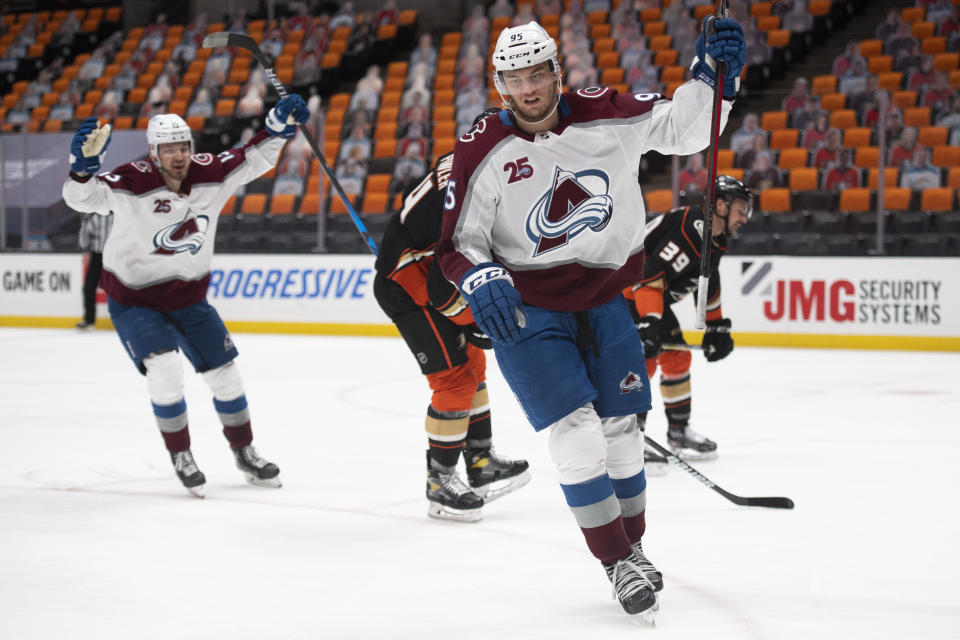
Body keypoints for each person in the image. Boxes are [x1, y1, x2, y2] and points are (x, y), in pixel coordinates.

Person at [435, 19, 744, 617]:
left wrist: (714, 79)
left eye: (536, 74)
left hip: (605, 298)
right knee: (577, 436)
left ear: (556, 72)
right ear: (500, 84)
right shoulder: (481, 149)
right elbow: (457, 244)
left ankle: (630, 547)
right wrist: (478, 275)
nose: (527, 89)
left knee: (622, 435)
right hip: (528, 308)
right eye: (514, 79)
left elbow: (685, 128)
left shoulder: (606, 112)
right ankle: (616, 561)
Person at [60, 95, 310, 497]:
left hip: (189, 298)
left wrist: (278, 125)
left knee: (226, 377)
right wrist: (82, 170)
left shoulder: (211, 172)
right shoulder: (131, 180)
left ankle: (244, 451)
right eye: (168, 149)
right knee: (165, 373)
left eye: (183, 147)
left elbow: (252, 158)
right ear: (154, 153)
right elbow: (83, 198)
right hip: (136, 299)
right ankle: (182, 454)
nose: (178, 155)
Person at [373, 109, 530, 522]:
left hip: (430, 270)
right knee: (454, 378)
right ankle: (440, 481)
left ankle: (480, 462)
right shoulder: (469, 181)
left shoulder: (476, 162)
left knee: (474, 365)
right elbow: (443, 283)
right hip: (408, 284)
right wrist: (474, 322)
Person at [623, 176, 752, 463]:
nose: (746, 217)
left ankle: (678, 431)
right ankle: (629, 438)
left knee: (677, 359)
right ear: (720, 205)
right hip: (624, 293)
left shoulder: (714, 239)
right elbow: (650, 272)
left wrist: (716, 327)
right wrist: (650, 322)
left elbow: (707, 282)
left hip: (648, 297)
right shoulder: (691, 232)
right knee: (646, 359)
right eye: (741, 209)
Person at [75, 210, 113, 330]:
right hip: (97, 255)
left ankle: (125, 319)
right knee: (88, 287)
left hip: (114, 255)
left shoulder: (118, 212)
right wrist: (86, 250)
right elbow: (84, 232)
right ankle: (89, 320)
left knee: (119, 287)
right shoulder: (92, 215)